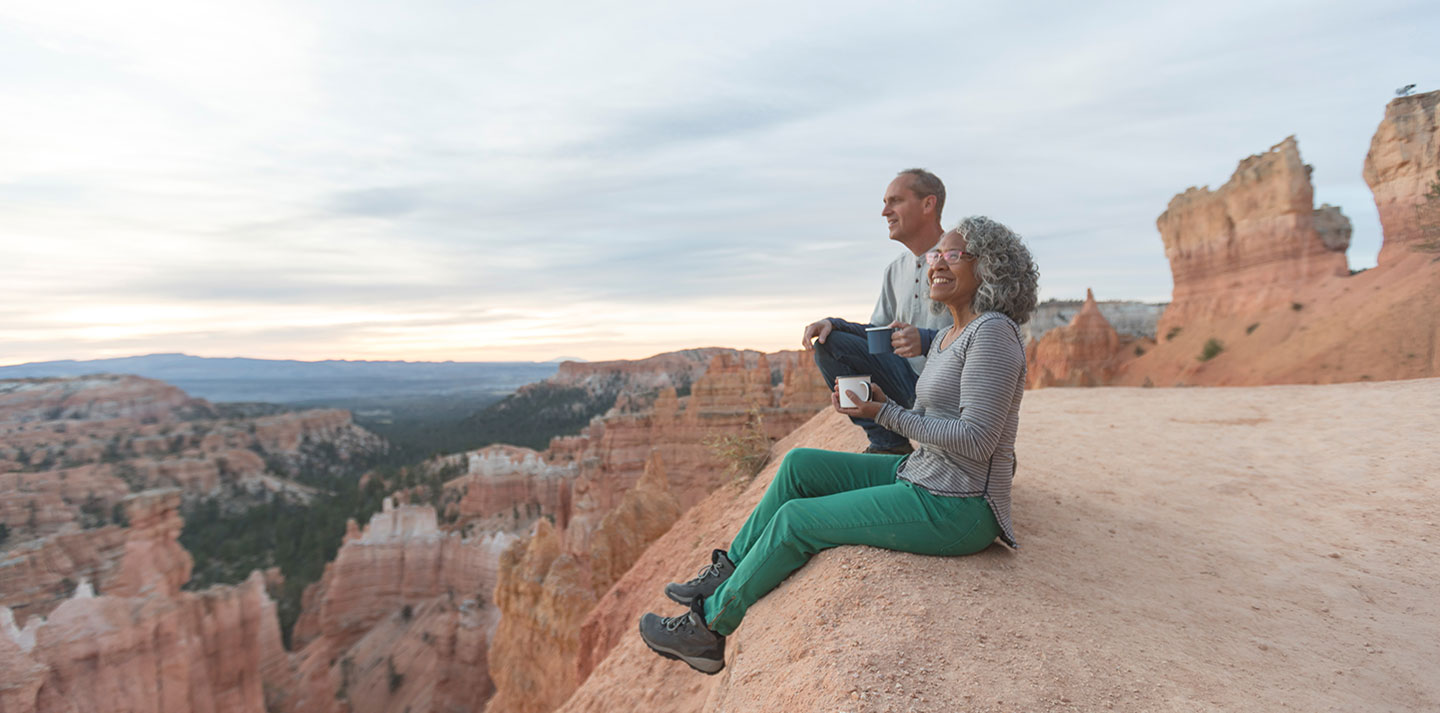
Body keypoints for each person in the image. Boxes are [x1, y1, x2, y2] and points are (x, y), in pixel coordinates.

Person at [638, 216, 1040, 675]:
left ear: (989, 268)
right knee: (800, 466)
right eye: (935, 256)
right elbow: (939, 418)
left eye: (953, 255)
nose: (937, 266)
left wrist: (885, 415)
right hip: (927, 473)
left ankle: (708, 630)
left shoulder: (992, 333)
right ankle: (728, 570)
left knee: (796, 521)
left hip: (961, 505)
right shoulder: (953, 333)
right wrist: (883, 402)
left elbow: (977, 439)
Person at [802, 168, 956, 456]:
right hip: (906, 386)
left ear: (928, 204)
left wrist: (925, 339)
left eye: (895, 201)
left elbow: (986, 335)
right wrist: (833, 324)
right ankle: (889, 446)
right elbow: (878, 336)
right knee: (830, 344)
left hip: (950, 395)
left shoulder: (959, 262)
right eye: (885, 202)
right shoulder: (895, 270)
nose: (885, 211)